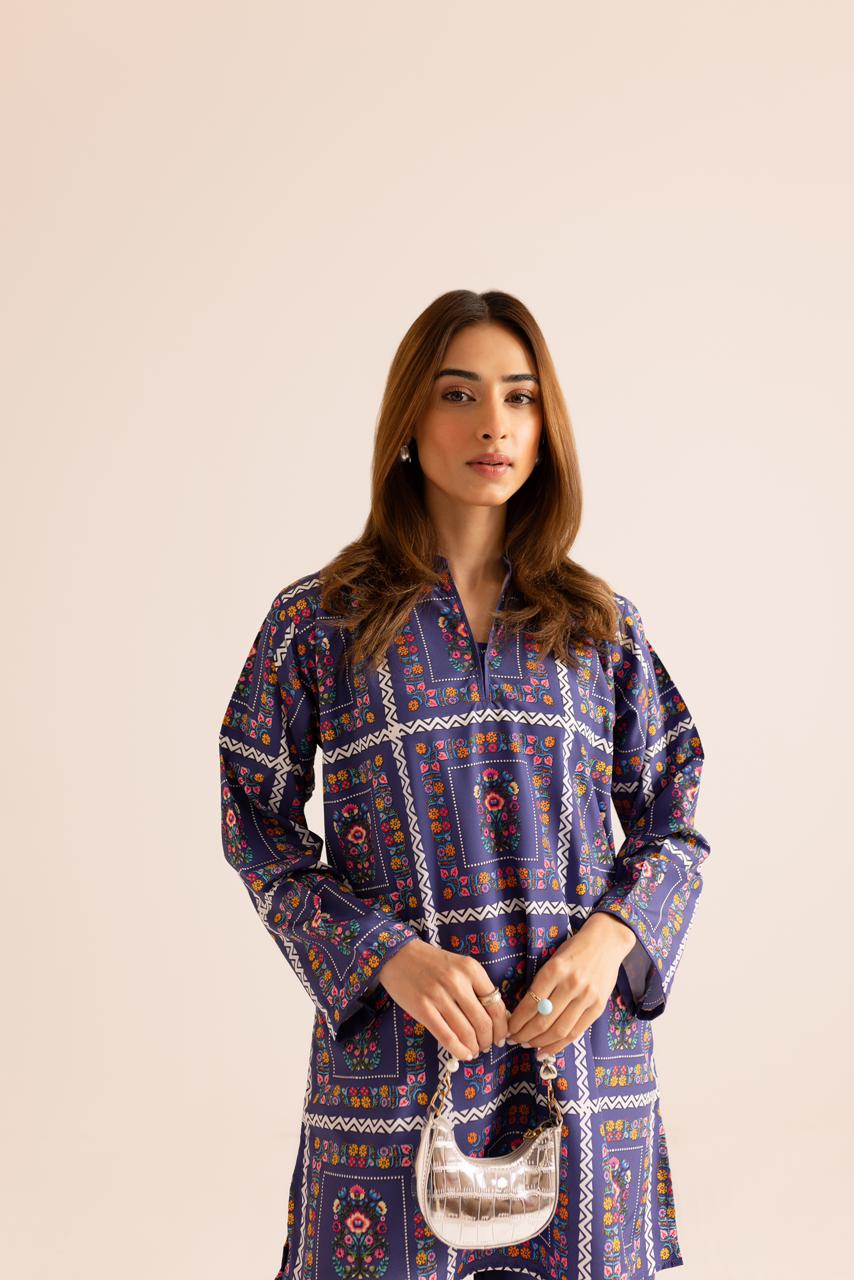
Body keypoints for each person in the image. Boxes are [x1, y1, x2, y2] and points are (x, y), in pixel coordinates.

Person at [217, 289, 711, 1280]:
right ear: (408, 417)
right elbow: (255, 819)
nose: (494, 423)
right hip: (400, 1065)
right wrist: (383, 954)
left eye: (520, 397)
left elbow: (674, 812)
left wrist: (613, 937)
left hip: (578, 1064)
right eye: (458, 394)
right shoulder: (319, 622)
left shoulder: (600, 626)